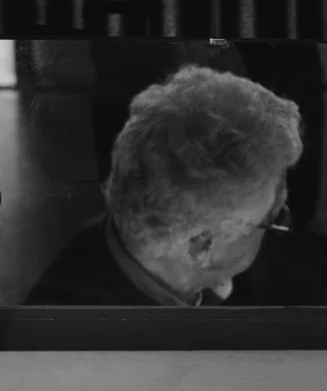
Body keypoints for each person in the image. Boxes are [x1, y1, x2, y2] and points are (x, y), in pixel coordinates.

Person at [27, 60, 306, 305]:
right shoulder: (89, 344)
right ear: (201, 246)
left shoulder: (133, 240)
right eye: (272, 217)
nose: (276, 230)